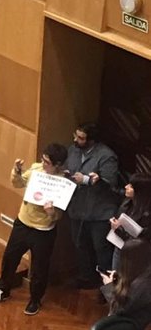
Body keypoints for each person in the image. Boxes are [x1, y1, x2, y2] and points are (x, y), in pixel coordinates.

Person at [0, 143, 69, 316]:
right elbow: (19, 183)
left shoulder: (63, 184)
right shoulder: (36, 170)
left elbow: (59, 215)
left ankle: (35, 299)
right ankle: (3, 289)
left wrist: (51, 212)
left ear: (58, 165)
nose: (43, 163)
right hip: (23, 223)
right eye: (43, 159)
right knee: (10, 257)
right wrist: (16, 170)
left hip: (44, 231)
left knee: (39, 267)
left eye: (47, 162)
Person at [65, 122, 121, 289]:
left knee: (101, 249)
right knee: (79, 244)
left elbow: (111, 184)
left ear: (92, 140)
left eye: (81, 138)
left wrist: (89, 180)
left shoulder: (106, 156)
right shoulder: (72, 150)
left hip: (99, 212)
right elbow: (69, 169)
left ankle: (106, 285)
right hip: (78, 208)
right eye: (75, 135)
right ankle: (85, 277)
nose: (76, 139)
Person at [100, 238, 151, 330]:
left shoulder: (141, 285)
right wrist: (117, 280)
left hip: (130, 326)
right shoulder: (144, 271)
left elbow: (119, 310)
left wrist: (109, 286)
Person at [109, 173, 151, 270]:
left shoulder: (147, 211)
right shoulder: (127, 203)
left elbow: (142, 238)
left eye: (131, 186)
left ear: (140, 191)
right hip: (119, 246)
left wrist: (119, 230)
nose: (126, 187)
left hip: (137, 252)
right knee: (116, 277)